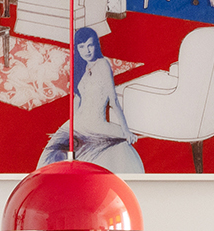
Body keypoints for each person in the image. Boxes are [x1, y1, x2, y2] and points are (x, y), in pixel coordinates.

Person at [38, 25, 145, 173]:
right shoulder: (80, 66)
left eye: (90, 45)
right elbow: (77, 98)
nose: (87, 51)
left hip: (97, 124)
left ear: (96, 45)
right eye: (82, 47)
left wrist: (125, 131)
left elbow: (113, 100)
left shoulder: (102, 64)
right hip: (78, 122)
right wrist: (72, 126)